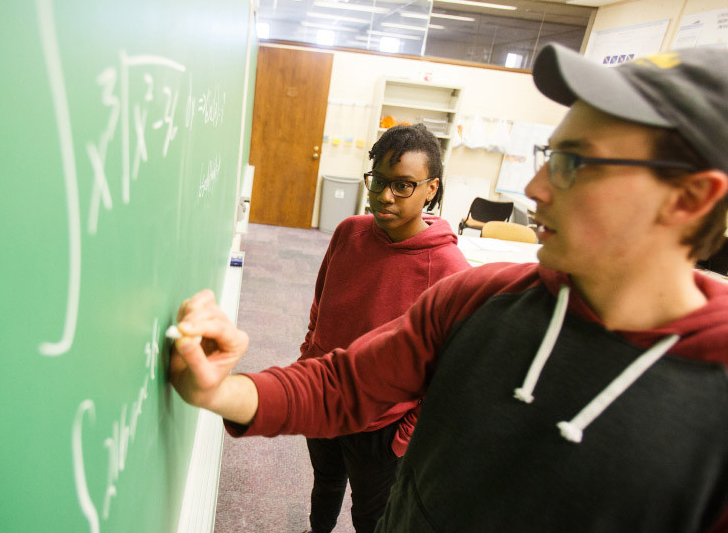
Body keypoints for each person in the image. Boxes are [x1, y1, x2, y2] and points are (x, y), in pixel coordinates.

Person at [169, 43, 728, 532]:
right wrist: (221, 391)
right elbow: (345, 384)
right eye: (551, 156)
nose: (534, 189)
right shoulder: (479, 301)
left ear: (690, 198)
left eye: (575, 164)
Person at [300, 124, 470, 533]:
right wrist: (309, 358)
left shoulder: (450, 271)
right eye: (378, 181)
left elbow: (450, 371)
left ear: (431, 189)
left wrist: (405, 433)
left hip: (381, 426)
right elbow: (322, 304)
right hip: (324, 394)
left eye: (403, 185)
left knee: (371, 517)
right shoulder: (349, 232)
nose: (384, 195)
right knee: (324, 485)